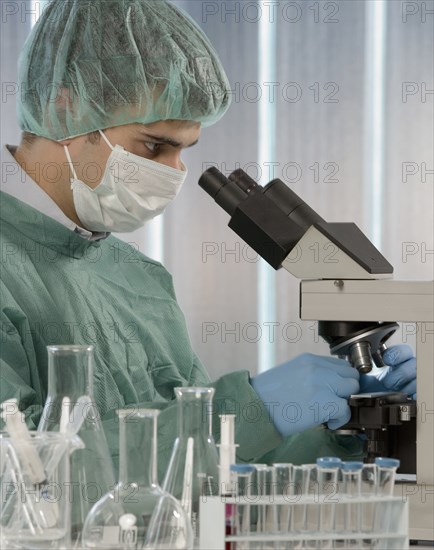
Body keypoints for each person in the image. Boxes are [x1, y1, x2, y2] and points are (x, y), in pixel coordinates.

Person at [0, 0, 416, 479]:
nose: (174, 171)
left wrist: (350, 429)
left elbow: (202, 469)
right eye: (154, 145)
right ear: (64, 107)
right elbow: (22, 475)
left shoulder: (138, 279)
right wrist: (247, 411)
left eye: (184, 149)